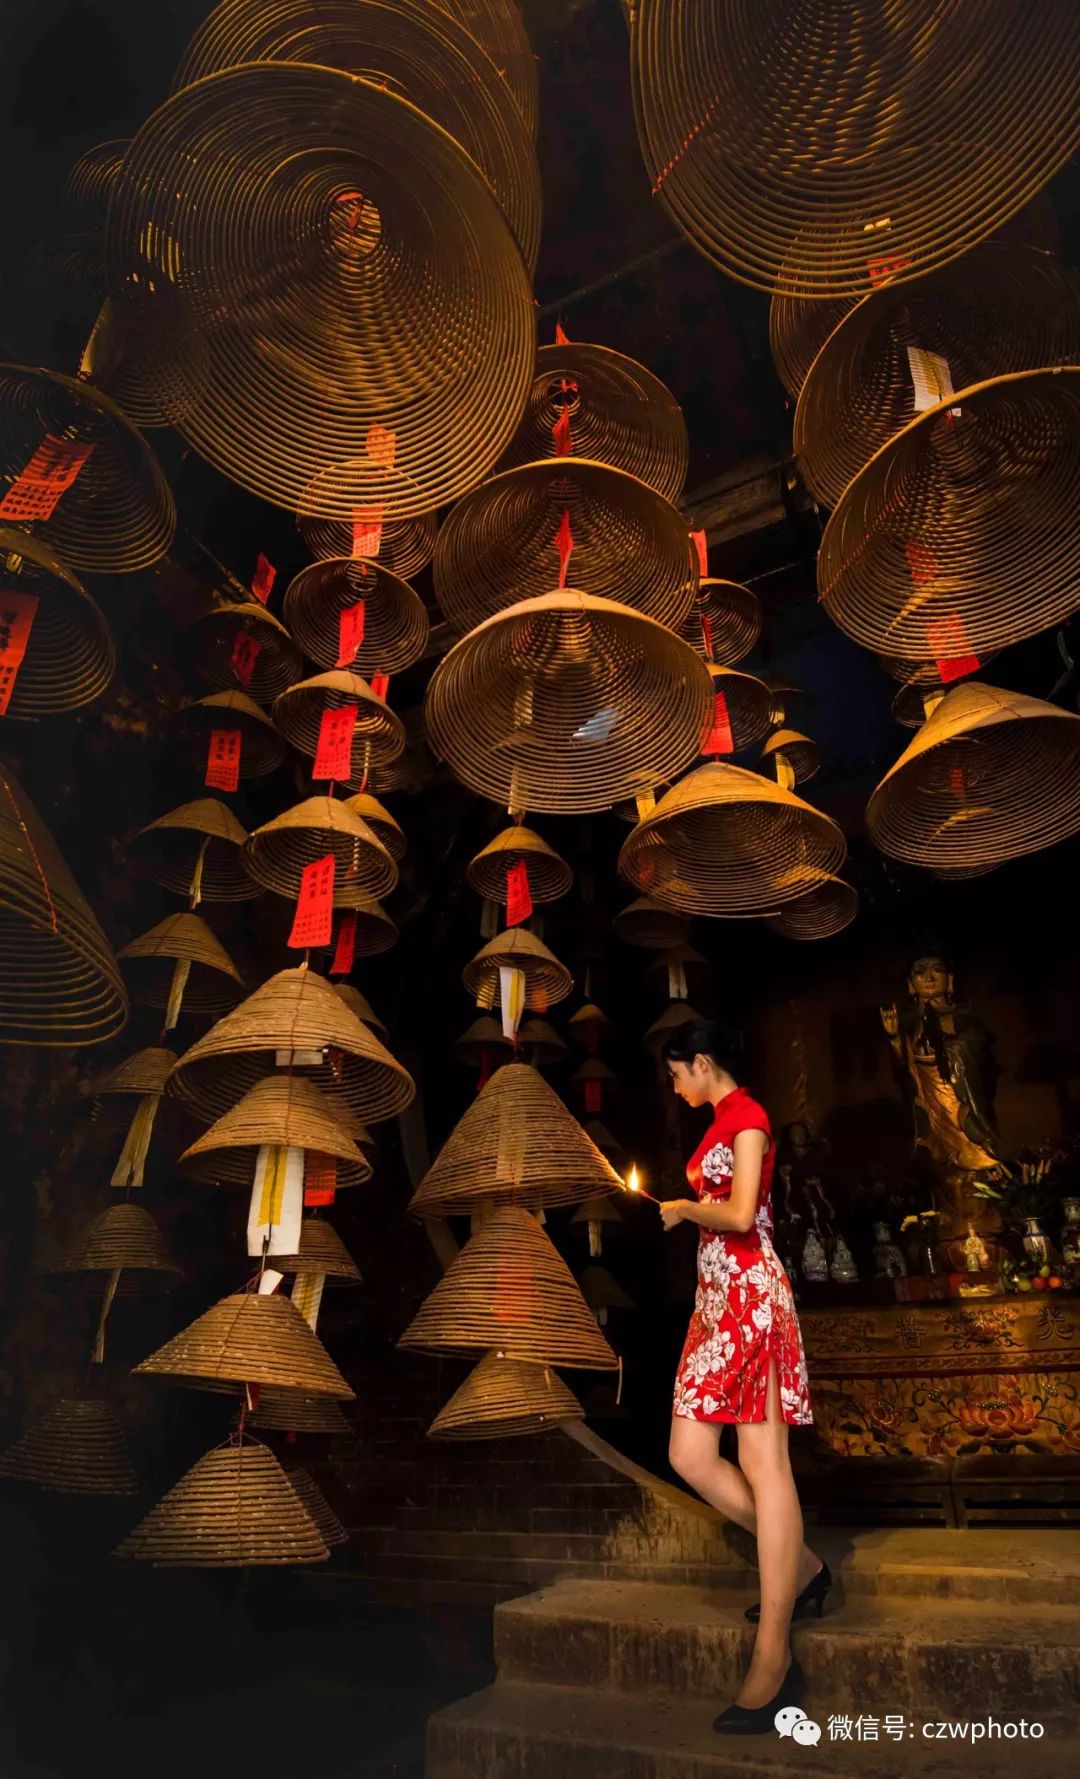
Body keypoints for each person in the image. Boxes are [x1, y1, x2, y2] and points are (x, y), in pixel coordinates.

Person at [658, 1019, 831, 1735]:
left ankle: (773, 1656)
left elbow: (738, 1212)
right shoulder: (718, 1121)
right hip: (714, 1305)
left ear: (702, 1061)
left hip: (753, 1299)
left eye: (676, 1071)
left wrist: (683, 1206)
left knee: (763, 1461)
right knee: (689, 1455)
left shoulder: (749, 1116)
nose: (673, 1085)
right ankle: (807, 1565)